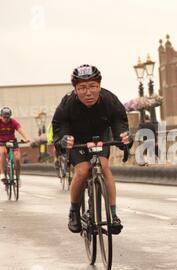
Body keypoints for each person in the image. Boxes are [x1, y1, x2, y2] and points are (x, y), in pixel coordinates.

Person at [52, 64, 131, 234]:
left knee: (103, 166)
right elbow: (59, 128)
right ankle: (74, 212)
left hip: (100, 136)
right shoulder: (67, 104)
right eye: (82, 88)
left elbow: (119, 121)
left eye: (93, 87)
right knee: (82, 170)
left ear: (99, 86)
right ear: (75, 89)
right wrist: (63, 140)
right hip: (76, 139)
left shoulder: (110, 100)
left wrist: (123, 137)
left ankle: (113, 214)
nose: (88, 93)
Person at [0, 106, 31, 183]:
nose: (6, 119)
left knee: (18, 159)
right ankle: (2, 173)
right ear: (1, 116)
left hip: (12, 142)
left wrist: (26, 138)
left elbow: (20, 130)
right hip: (1, 142)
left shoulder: (13, 122)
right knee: (3, 152)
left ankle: (18, 175)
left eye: (7, 117)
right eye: (4, 117)